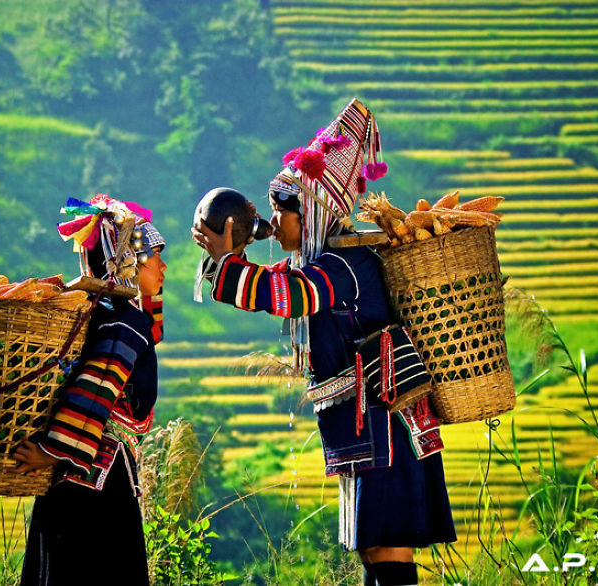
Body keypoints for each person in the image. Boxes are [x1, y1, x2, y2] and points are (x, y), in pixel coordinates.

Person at [192, 99, 456, 586]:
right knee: (373, 550)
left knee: (387, 548)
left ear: (311, 211)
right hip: (366, 427)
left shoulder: (342, 265)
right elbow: (266, 285)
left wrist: (227, 258)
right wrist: (224, 258)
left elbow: (284, 295)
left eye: (282, 212)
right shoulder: (322, 262)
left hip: (387, 425)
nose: (276, 223)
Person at [13, 195, 167, 586]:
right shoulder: (127, 321)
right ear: (127, 262)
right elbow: (98, 384)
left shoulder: (92, 312)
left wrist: (56, 454)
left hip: (69, 477)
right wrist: (53, 452)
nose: (163, 267)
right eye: (154, 258)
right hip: (99, 478)